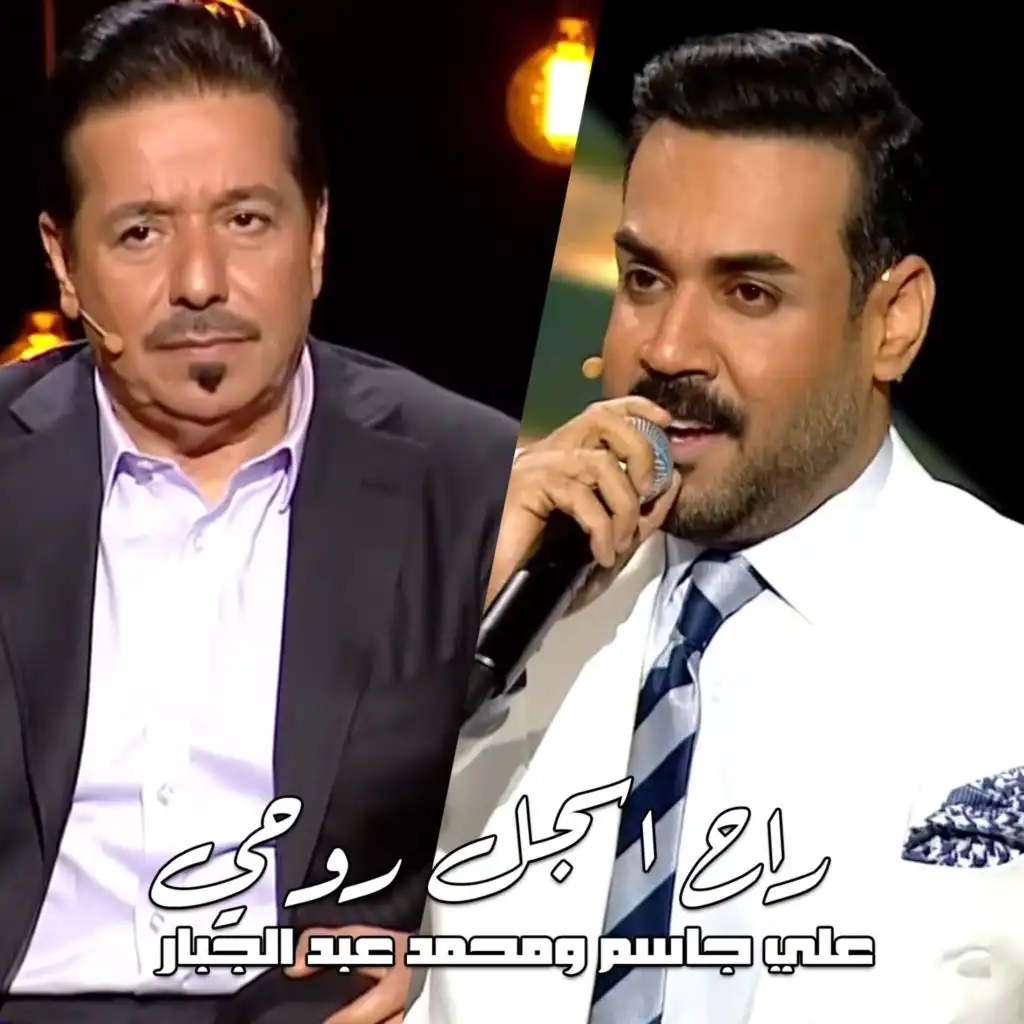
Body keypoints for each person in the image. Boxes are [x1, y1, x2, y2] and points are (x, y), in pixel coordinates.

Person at [410, 30, 1024, 1024]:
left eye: (749, 293)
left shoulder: (1004, 621)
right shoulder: (500, 595)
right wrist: (447, 617)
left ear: (893, 322)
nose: (666, 347)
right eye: (644, 279)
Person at [0, 2, 518, 1021]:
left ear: (315, 234)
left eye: (245, 221)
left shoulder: (471, 478)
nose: (200, 282)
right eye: (141, 232)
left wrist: (451, 954)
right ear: (63, 263)